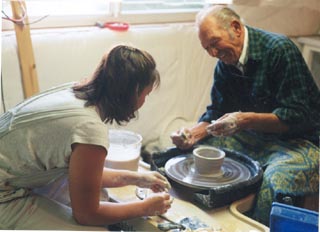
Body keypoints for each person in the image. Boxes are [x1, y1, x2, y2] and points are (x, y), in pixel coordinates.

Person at [171, 5, 319, 226]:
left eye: (214, 43)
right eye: (207, 49)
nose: (213, 53)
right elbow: (216, 112)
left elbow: (297, 116)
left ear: (236, 28)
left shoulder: (279, 49)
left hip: (300, 142)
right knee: (190, 153)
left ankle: (249, 227)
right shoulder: (225, 63)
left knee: (273, 180)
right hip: (255, 138)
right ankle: (201, 223)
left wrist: (245, 119)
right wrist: (193, 134)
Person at [0, 45, 172, 230]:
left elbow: (85, 175)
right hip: (5, 194)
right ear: (134, 91)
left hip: (13, 175)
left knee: (100, 195)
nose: (144, 102)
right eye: (145, 94)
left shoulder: (73, 91)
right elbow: (87, 215)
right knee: (94, 228)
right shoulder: (89, 128)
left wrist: (138, 178)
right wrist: (146, 208)